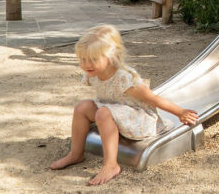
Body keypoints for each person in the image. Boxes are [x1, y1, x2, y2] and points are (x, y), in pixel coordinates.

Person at [49, 25, 198, 186]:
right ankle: (76, 153)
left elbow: (153, 98)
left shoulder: (124, 78)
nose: (86, 64)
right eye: (82, 59)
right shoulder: (93, 74)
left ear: (111, 57)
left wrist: (180, 112)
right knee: (82, 107)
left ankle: (111, 165)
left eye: (93, 59)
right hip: (113, 111)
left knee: (103, 113)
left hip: (140, 119)